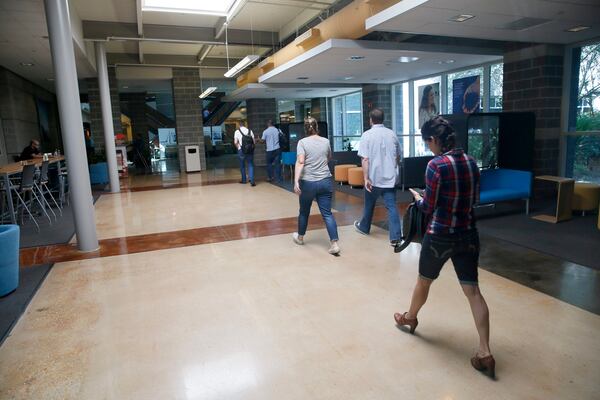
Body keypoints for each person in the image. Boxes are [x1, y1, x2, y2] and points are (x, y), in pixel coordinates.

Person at [393, 116, 495, 378]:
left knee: (424, 281)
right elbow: (474, 199)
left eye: (428, 142)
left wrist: (418, 198)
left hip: (440, 235)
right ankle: (484, 351)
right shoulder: (472, 162)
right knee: (473, 292)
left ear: (435, 140)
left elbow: (429, 207)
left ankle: (410, 317)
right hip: (468, 233)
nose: (429, 148)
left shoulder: (436, 165)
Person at [353, 108, 402, 246]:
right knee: (391, 206)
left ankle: (364, 227)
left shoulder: (366, 135)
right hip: (390, 178)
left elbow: (365, 159)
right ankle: (395, 237)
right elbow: (398, 154)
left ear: (371, 120)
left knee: (369, 204)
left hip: (374, 178)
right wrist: (394, 167)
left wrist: (365, 178)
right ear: (383, 119)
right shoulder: (392, 134)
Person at [292, 117, 340, 255]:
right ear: (317, 127)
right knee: (327, 214)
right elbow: (328, 157)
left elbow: (301, 162)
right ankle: (334, 243)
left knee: (304, 211)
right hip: (325, 181)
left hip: (308, 182)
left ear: (305, 128)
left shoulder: (302, 142)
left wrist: (296, 181)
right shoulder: (326, 141)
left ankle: (300, 237)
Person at [234, 121, 256, 186]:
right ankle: (252, 181)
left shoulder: (237, 132)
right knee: (250, 165)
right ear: (244, 124)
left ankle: (244, 180)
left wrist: (239, 148)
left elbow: (235, 142)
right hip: (249, 150)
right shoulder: (250, 131)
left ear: (239, 125)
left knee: (242, 166)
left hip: (241, 151)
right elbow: (254, 142)